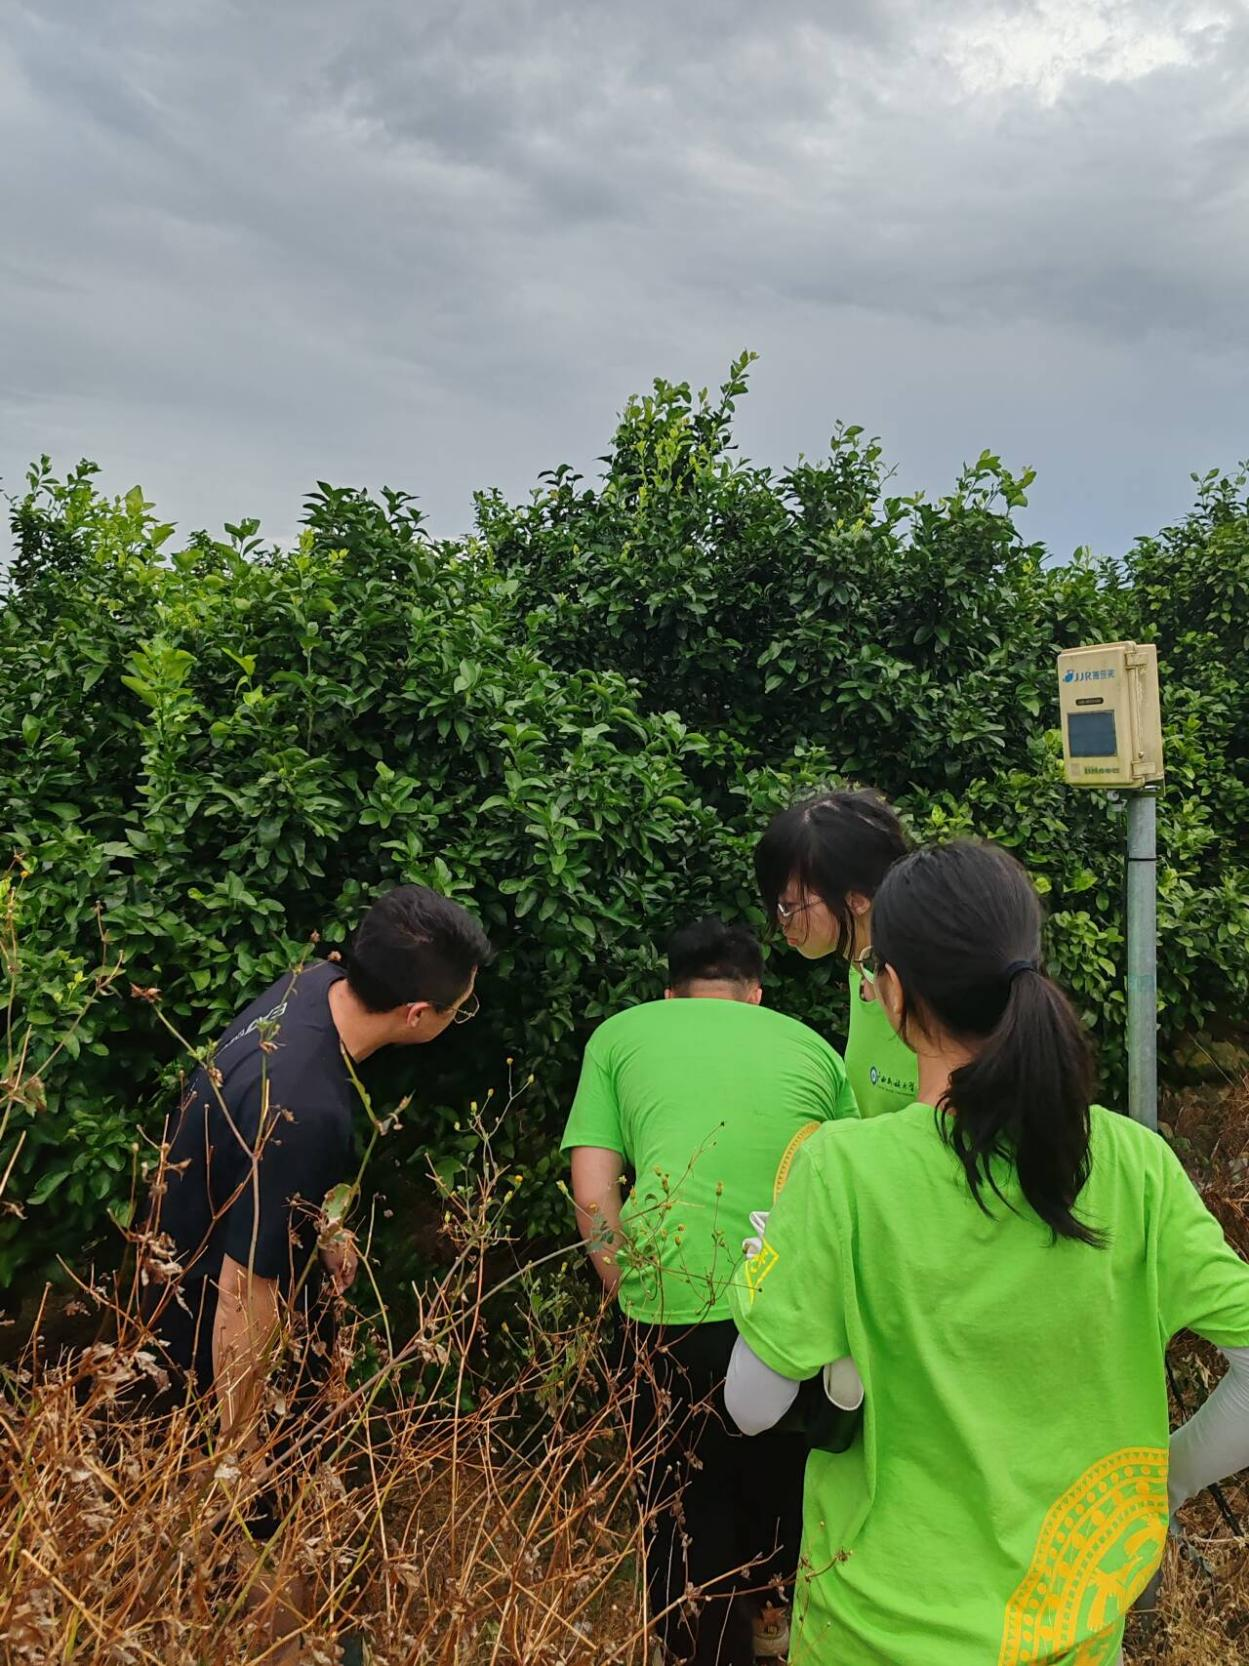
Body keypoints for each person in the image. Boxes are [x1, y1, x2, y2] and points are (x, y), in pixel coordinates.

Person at [726, 841, 1249, 1666]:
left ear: (891, 992)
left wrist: (768, 1264)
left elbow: (751, 1405)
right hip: (1073, 1629)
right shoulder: (1133, 1161)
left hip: (874, 1632)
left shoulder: (841, 1168)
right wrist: (1165, 1480)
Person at [563, 917, 859, 1666]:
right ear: (755, 994)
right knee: (782, 1484)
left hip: (669, 1304)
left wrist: (630, 1288)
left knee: (679, 1503)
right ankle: (773, 1621)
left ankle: (695, 1644)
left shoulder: (622, 1034)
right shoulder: (812, 1047)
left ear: (670, 991)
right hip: (787, 1313)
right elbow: (850, 1186)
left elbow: (593, 1190)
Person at [142, 882, 490, 1477]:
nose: (459, 1017)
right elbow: (245, 1294)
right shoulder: (307, 1108)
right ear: (416, 1015)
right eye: (459, 1009)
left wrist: (323, 1227)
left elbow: (258, 1158)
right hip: (205, 1348)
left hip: (178, 1258)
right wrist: (242, 1449)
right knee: (247, 1539)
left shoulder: (313, 987)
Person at [755, 787, 915, 1117]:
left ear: (857, 899)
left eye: (789, 906)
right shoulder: (862, 970)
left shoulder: (927, 987)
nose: (780, 922)